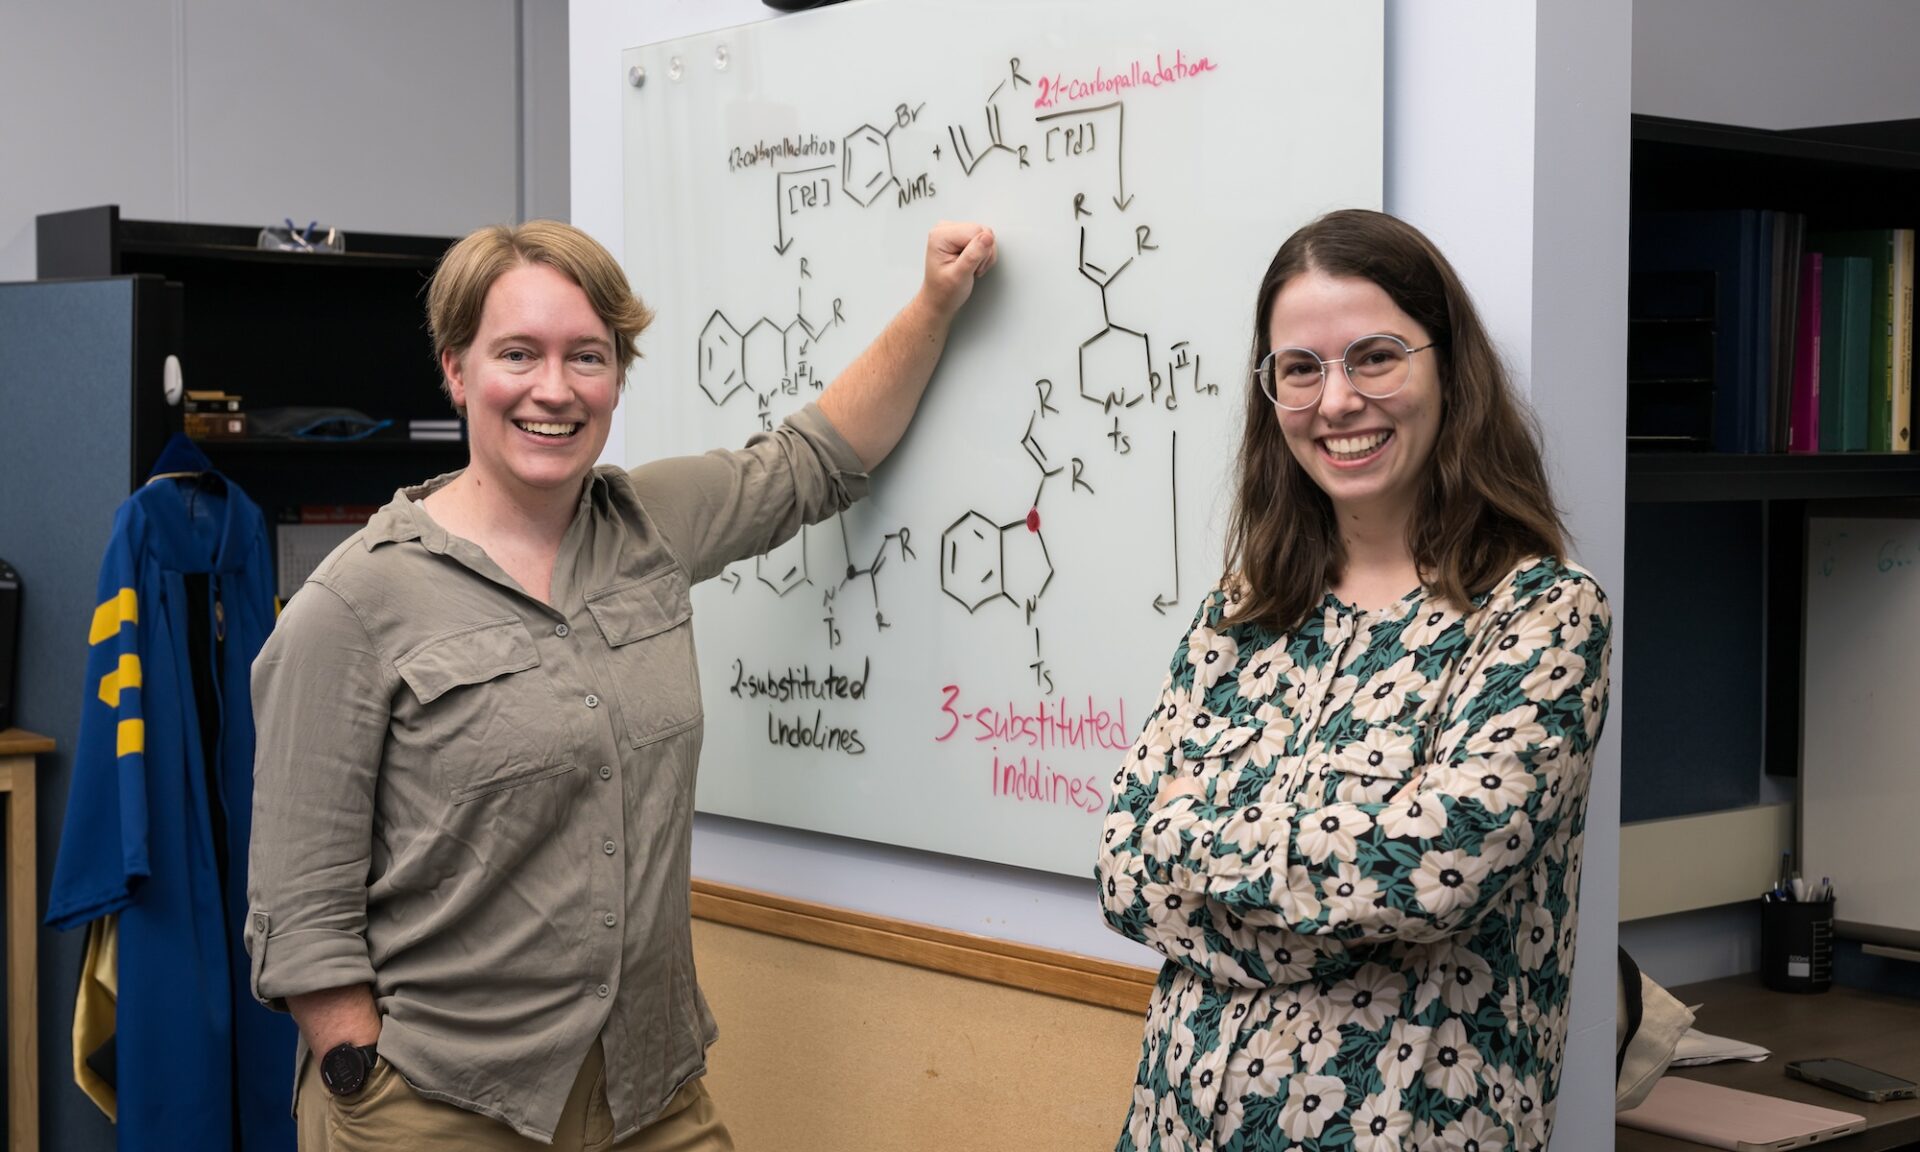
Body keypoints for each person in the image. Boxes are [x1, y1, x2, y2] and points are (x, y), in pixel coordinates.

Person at [244, 217, 996, 1150]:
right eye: (517, 353)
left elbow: (816, 460)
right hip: (441, 1106)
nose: (553, 390)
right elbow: (300, 905)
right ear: (456, 369)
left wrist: (934, 304)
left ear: (617, 376)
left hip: (648, 1090)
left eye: (587, 357)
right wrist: (361, 1080)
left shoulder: (650, 525)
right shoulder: (354, 604)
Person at [1097, 209, 1611, 1152]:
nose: (1337, 401)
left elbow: (1427, 876)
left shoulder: (1539, 614)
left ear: (1447, 367)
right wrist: (1337, 908)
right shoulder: (1243, 612)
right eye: (1302, 369)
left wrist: (1200, 852)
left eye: (1375, 357)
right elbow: (1126, 869)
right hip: (1178, 1124)